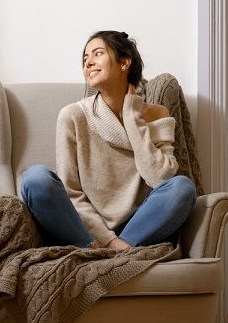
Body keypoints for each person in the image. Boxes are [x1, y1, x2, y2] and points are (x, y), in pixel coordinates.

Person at [20, 30, 197, 250]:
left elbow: (160, 178)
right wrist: (108, 240)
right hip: (86, 231)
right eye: (85, 59)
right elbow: (71, 191)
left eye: (97, 54)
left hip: (139, 224)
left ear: (124, 62)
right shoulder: (73, 115)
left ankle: (111, 252)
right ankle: (111, 251)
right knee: (35, 178)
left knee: (182, 187)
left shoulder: (157, 113)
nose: (89, 63)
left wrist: (132, 117)